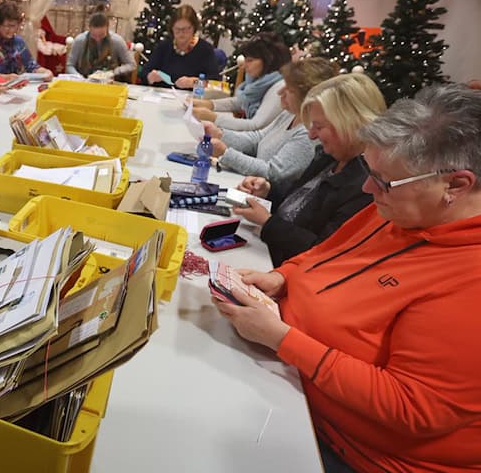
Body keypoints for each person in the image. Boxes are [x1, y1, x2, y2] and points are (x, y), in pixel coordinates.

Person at [213, 84, 481, 473]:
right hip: (290, 388)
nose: (369, 189)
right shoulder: (398, 208)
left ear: (455, 186)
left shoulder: (468, 280)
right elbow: (325, 254)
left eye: (384, 181)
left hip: (351, 452)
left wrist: (281, 339)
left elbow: (411, 408)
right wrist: (283, 277)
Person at [232, 74, 387, 266]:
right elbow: (296, 203)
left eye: (319, 126)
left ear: (350, 124)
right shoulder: (330, 157)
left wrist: (268, 223)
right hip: (266, 252)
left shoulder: (365, 186)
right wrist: (267, 191)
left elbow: (324, 252)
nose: (312, 135)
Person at [204, 57, 336, 184]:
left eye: (289, 90)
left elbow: (273, 172)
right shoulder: (290, 114)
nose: (280, 92)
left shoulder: (309, 134)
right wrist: (220, 134)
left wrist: (225, 154)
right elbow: (258, 138)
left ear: (307, 97)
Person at [193, 33, 291, 131]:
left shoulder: (278, 88)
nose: (245, 65)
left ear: (268, 61)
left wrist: (213, 117)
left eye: (250, 60)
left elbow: (255, 125)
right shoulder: (259, 81)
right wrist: (209, 104)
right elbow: (240, 102)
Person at [141, 5, 220, 89]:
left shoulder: (205, 49)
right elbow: (144, 73)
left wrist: (193, 82)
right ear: (172, 28)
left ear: (194, 28)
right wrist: (150, 77)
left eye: (186, 29)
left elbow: (215, 83)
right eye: (177, 29)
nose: (181, 33)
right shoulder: (164, 46)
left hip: (192, 98)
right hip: (163, 97)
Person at [0, 1, 52, 80]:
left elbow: (31, 66)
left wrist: (45, 72)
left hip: (16, 87)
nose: (12, 30)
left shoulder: (18, 42)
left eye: (14, 26)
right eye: (8, 26)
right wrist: (5, 77)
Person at [65, 10, 136, 80]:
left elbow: (132, 64)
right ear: (89, 28)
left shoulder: (117, 41)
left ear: (107, 28)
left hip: (110, 83)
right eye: (94, 35)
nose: (98, 39)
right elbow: (70, 65)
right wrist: (78, 77)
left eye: (101, 35)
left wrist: (115, 72)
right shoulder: (80, 40)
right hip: (84, 80)